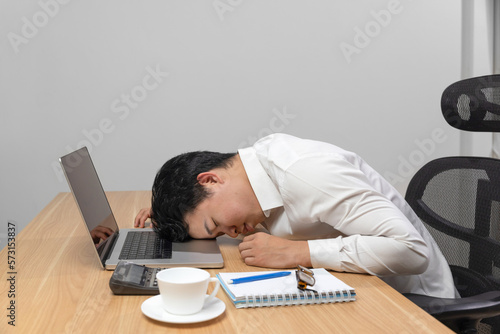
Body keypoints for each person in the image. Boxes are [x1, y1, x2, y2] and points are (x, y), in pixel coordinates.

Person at [135, 133, 458, 298]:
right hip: (356, 288)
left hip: (412, 303)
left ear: (210, 179)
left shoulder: (306, 173)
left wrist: (300, 252)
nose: (232, 234)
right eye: (219, 232)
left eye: (217, 225)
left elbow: (414, 252)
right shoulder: (248, 175)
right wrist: (171, 211)